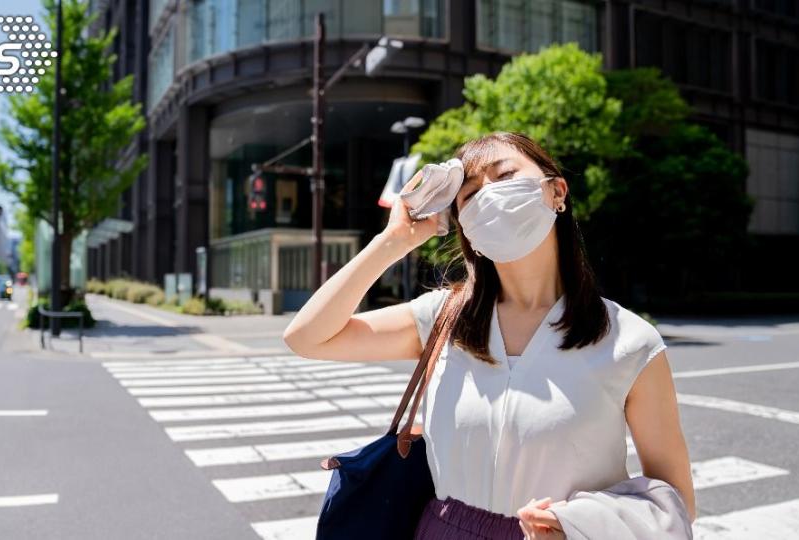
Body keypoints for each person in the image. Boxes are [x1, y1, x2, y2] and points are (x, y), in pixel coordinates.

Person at [283, 131, 696, 539]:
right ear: (466, 227)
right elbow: (307, 337)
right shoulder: (443, 318)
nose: (488, 196)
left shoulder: (631, 341)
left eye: (503, 175)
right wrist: (395, 241)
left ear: (557, 191)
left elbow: (676, 501)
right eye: (470, 194)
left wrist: (581, 525)